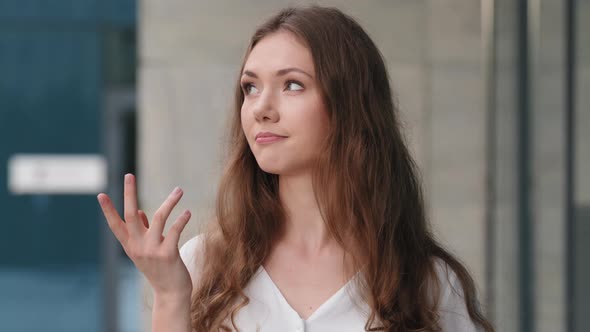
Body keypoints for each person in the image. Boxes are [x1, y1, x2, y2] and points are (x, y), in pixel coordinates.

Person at [97, 5, 494, 332]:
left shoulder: (427, 282)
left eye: (292, 85)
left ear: (349, 105)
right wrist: (169, 298)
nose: (261, 108)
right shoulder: (203, 265)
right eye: (250, 87)